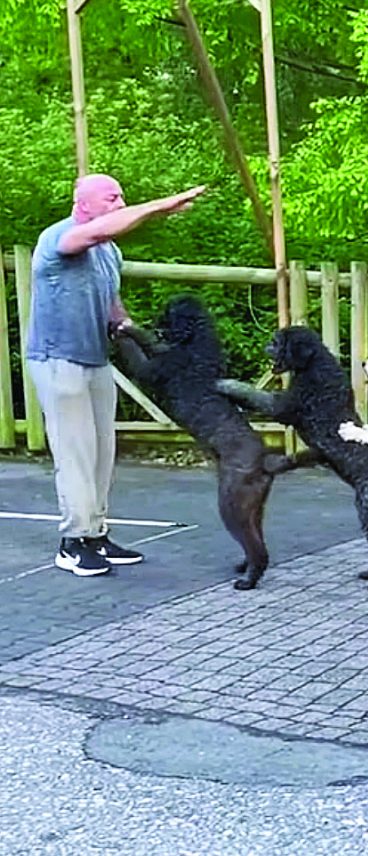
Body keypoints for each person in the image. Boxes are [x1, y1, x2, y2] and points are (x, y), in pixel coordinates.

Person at [26, 174, 205, 576]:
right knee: (75, 454)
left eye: (123, 196)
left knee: (103, 452)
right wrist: (160, 206)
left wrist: (130, 331)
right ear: (84, 204)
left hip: (95, 358)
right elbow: (96, 232)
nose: (121, 203)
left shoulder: (109, 252)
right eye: (112, 197)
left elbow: (111, 300)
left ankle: (96, 535)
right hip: (58, 359)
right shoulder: (58, 240)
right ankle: (72, 543)